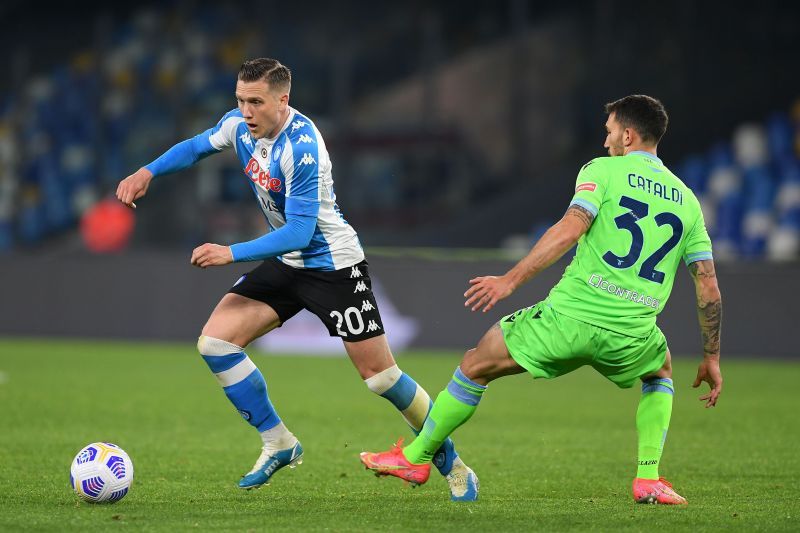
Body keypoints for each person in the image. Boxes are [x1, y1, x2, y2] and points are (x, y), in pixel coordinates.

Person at [116, 58, 478, 501]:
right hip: (287, 263)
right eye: (240, 101)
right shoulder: (238, 126)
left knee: (381, 379)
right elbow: (195, 147)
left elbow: (301, 232)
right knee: (216, 344)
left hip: (333, 266)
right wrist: (146, 171)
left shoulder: (303, 146)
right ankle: (279, 442)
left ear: (282, 100)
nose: (245, 112)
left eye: (255, 102)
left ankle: (454, 465)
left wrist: (230, 252)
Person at [360, 95, 723, 505]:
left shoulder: (603, 171)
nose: (605, 143)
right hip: (632, 333)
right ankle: (648, 478)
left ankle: (417, 456)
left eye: (609, 133)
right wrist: (711, 355)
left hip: (568, 319)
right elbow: (707, 284)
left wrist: (510, 281)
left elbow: (570, 229)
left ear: (627, 134)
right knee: (660, 375)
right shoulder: (687, 200)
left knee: (474, 365)